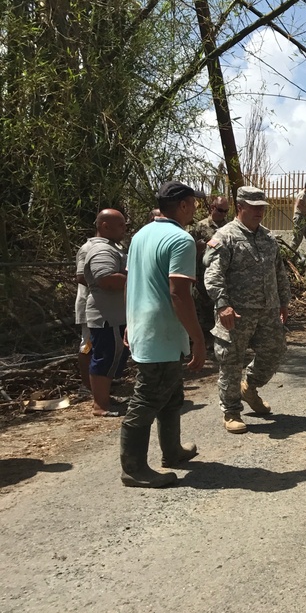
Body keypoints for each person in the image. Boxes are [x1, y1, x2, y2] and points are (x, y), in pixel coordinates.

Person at [121, 182, 206, 488]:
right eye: (193, 204)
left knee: (171, 395)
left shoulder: (141, 235)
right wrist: (198, 338)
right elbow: (179, 294)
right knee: (147, 399)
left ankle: (172, 451)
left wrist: (130, 323)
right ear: (183, 206)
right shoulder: (180, 240)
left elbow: (134, 284)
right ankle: (133, 468)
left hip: (146, 327)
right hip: (162, 332)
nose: (195, 209)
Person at [204, 186, 291, 434]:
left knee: (275, 351)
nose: (260, 212)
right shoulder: (225, 236)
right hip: (235, 312)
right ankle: (231, 411)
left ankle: (250, 387)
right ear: (240, 207)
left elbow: (279, 272)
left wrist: (284, 302)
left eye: (262, 207)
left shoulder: (268, 237)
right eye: (255, 207)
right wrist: (223, 305)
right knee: (231, 362)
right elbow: (213, 274)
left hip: (268, 309)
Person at [83, 209, 129, 417]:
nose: (124, 229)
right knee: (105, 357)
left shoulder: (111, 247)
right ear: (104, 226)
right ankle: (100, 405)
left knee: (114, 356)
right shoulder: (101, 250)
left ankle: (105, 399)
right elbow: (106, 279)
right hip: (106, 317)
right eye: (120, 224)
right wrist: (139, 279)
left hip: (114, 315)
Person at [190, 196, 230, 337]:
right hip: (202, 273)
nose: (223, 214)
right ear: (212, 208)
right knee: (203, 308)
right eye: (220, 210)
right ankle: (203, 341)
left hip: (222, 274)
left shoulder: (229, 228)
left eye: (226, 211)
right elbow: (189, 250)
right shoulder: (200, 226)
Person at [73, 235, 94, 396]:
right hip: (89, 305)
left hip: (105, 308)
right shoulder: (87, 248)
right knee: (87, 345)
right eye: (120, 225)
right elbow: (81, 277)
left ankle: (98, 380)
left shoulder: (116, 247)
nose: (124, 229)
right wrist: (107, 282)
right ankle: (86, 387)